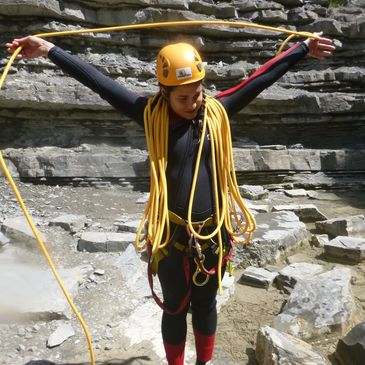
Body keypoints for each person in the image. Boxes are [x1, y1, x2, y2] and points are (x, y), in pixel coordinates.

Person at [6, 31, 335, 365]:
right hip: (171, 237)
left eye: (198, 93)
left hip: (213, 236)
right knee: (175, 308)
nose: (193, 103)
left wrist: (303, 48)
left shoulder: (215, 112)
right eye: (183, 98)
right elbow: (100, 83)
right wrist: (49, 50)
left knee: (206, 305)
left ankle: (203, 363)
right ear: (164, 93)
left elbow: (260, 79)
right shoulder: (151, 115)